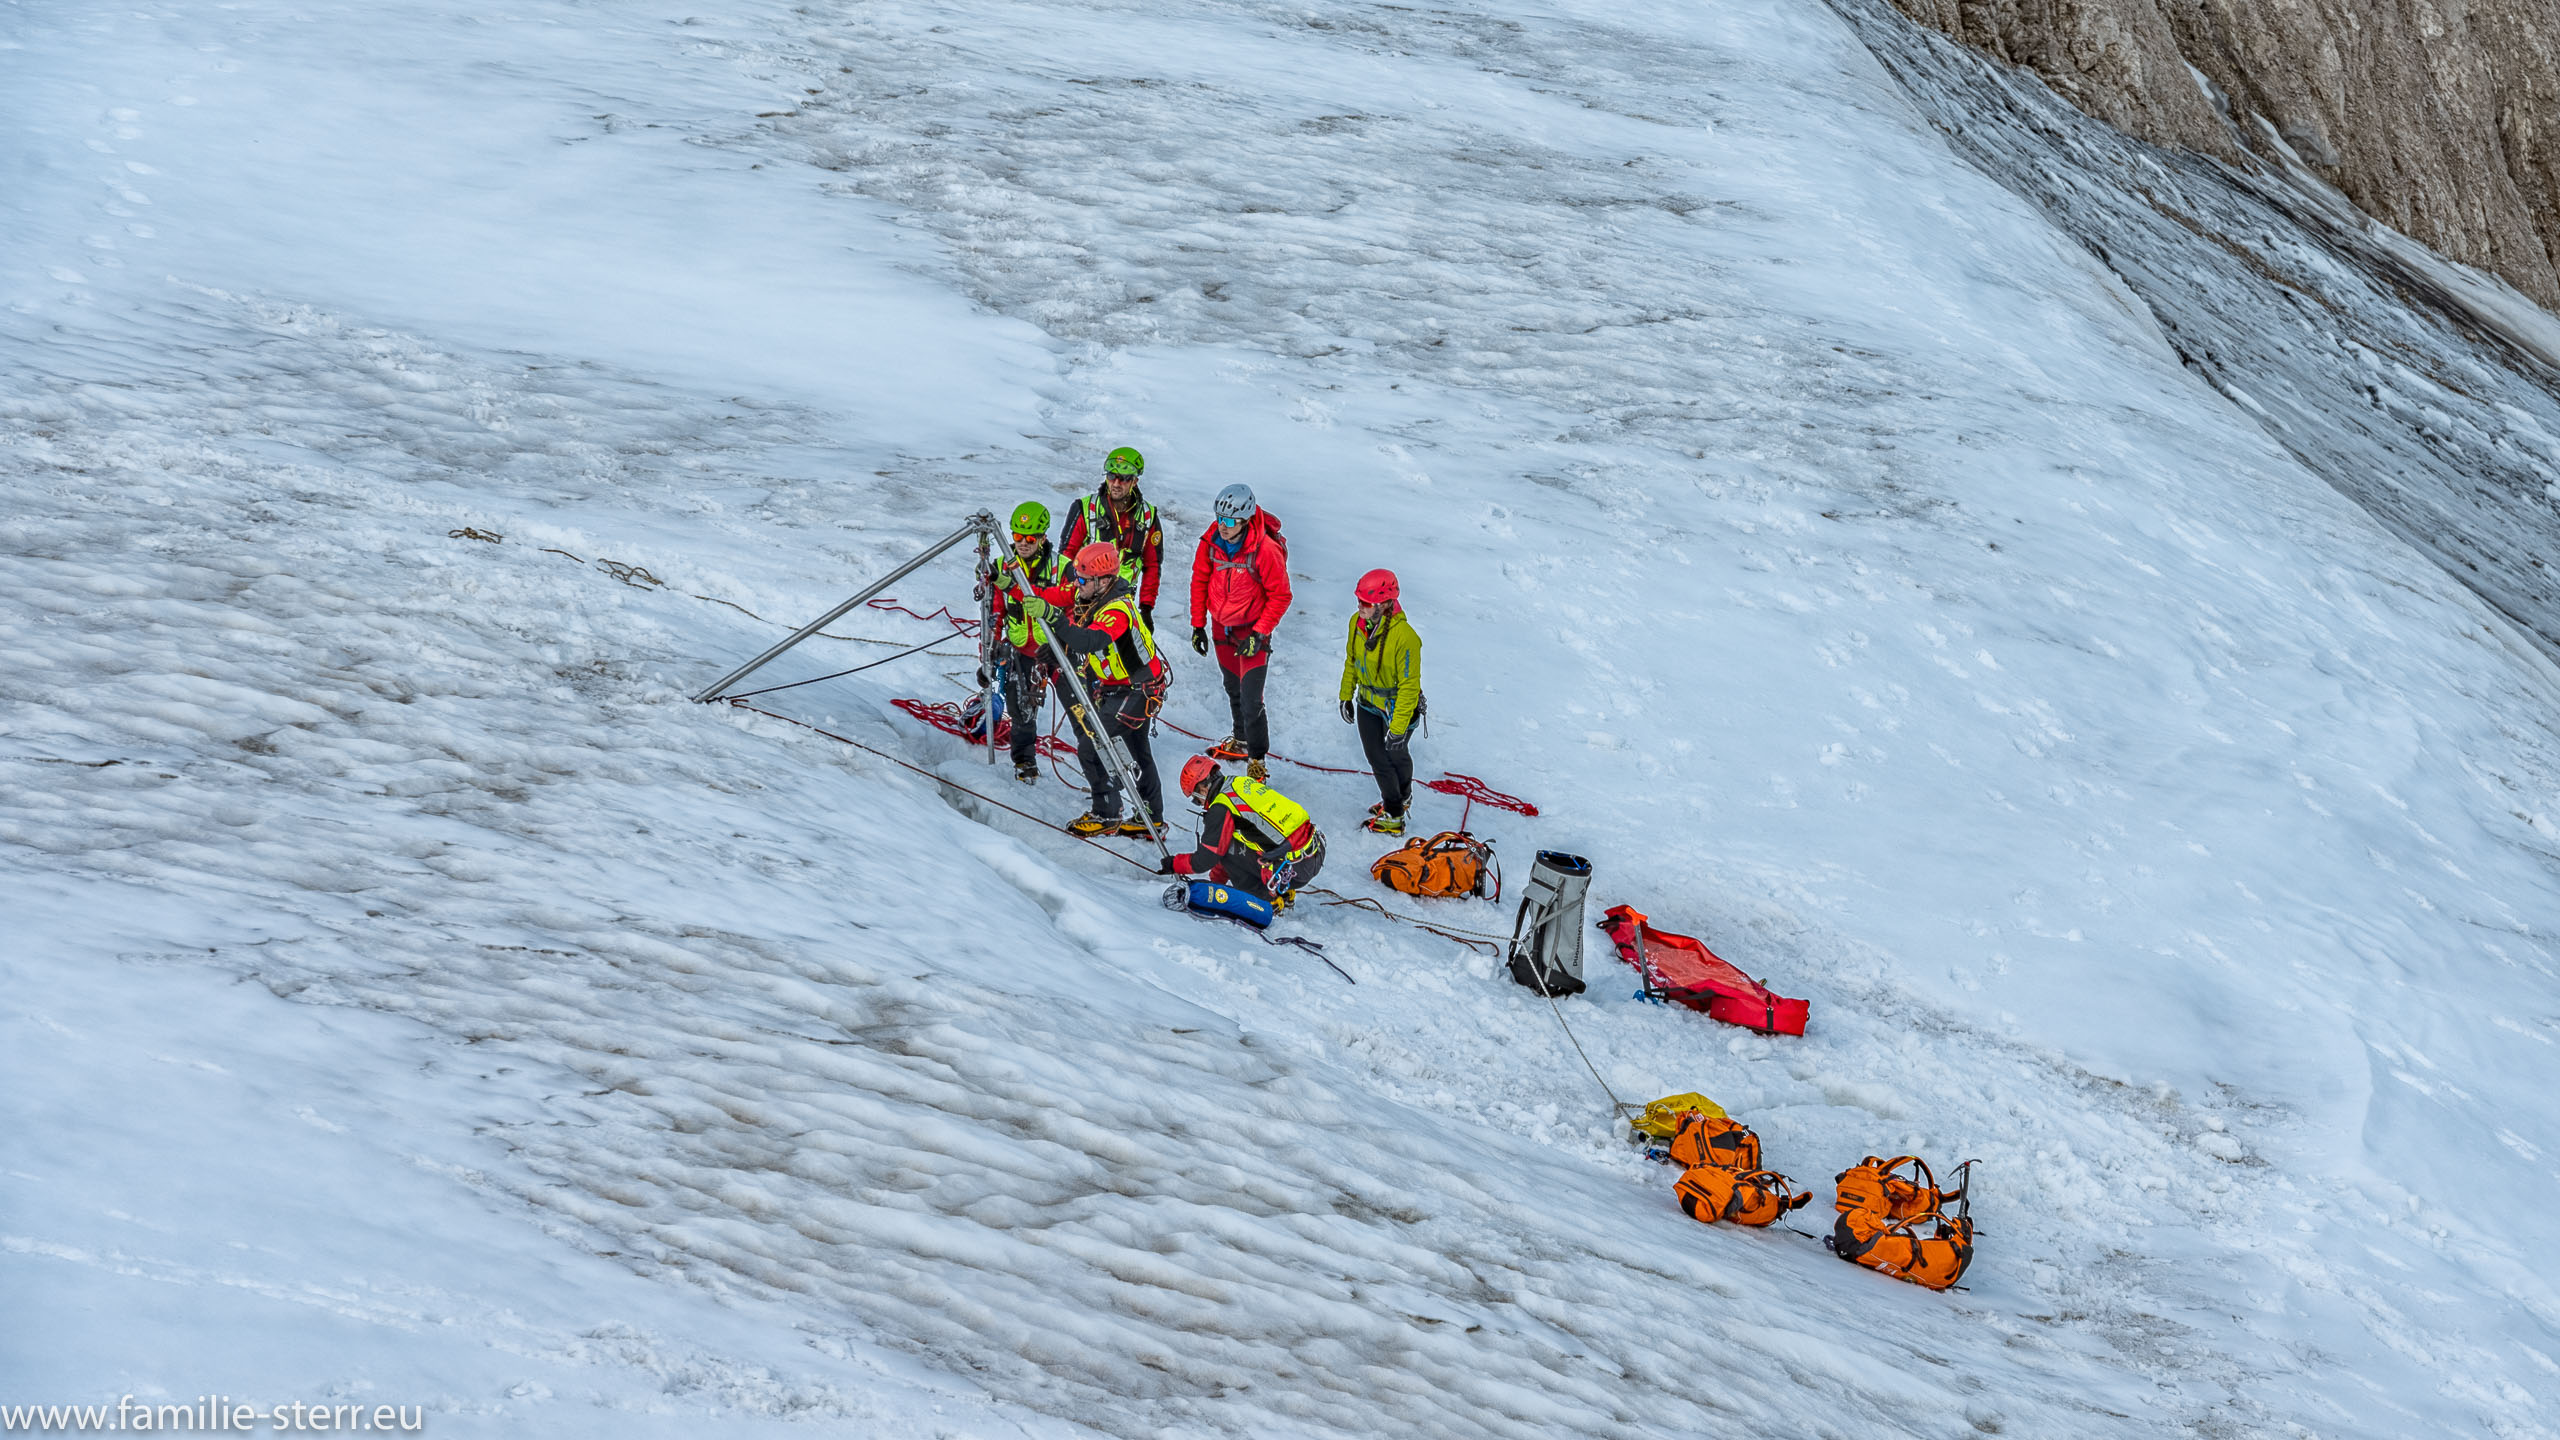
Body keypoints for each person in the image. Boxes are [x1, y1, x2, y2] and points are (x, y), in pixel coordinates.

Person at [1038, 541, 1169, 838]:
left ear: (1104, 580)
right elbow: (1051, 595)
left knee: (1092, 746)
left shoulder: (1117, 610)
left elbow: (1090, 641)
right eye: (1076, 577)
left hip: (1136, 690)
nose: (1077, 584)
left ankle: (1107, 812)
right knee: (1136, 750)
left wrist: (1056, 619)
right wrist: (1010, 583)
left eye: (1083, 580)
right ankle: (1153, 817)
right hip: (1120, 688)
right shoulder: (1088, 590)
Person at [1186, 483, 1291, 782]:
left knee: (1251, 699)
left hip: (1251, 632)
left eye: (1230, 521)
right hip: (1222, 628)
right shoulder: (1211, 542)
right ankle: (1240, 739)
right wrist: (1197, 624)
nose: (1223, 525)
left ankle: (1256, 758)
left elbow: (1281, 596)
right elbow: (1199, 580)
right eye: (1220, 518)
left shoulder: (1265, 550)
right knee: (1233, 688)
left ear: (1245, 520)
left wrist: (1259, 633)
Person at [1158, 754, 1326, 911]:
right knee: (1230, 844)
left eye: (1195, 799)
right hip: (1312, 852)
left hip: (1295, 867)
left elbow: (1208, 858)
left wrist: (1173, 864)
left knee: (1226, 850)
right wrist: (1216, 883)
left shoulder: (1220, 808)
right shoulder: (1238, 783)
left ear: (1202, 789)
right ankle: (1283, 889)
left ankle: (1266, 898)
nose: (1200, 804)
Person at [1339, 568, 1421, 835]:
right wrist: (1345, 695)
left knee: (1395, 753)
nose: (1360, 607)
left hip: (1397, 705)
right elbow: (1352, 661)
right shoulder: (1356, 623)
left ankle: (1398, 805)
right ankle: (1395, 805)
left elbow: (1409, 686)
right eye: (1359, 601)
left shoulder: (1405, 637)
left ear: (1386, 604)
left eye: (1366, 603)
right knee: (1377, 757)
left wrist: (1397, 728)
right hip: (1367, 702)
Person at [990, 502, 1068, 784]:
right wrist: (989, 650)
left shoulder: (1063, 568)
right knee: (1020, 709)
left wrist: (1061, 643)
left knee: (1080, 708)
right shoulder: (1002, 567)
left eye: (1030, 538)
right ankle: (1024, 760)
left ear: (1043, 538)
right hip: (1020, 648)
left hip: (1056, 650)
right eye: (1018, 536)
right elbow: (996, 611)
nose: (1022, 543)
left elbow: (1073, 611)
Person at [1059, 446, 1165, 630]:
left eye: (1123, 479)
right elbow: (1066, 557)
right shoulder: (1084, 508)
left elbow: (1152, 565)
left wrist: (1146, 608)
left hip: (1123, 600)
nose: (1116, 483)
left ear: (1135, 481)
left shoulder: (1148, 516)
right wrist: (1068, 601)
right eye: (1111, 476)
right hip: (1085, 598)